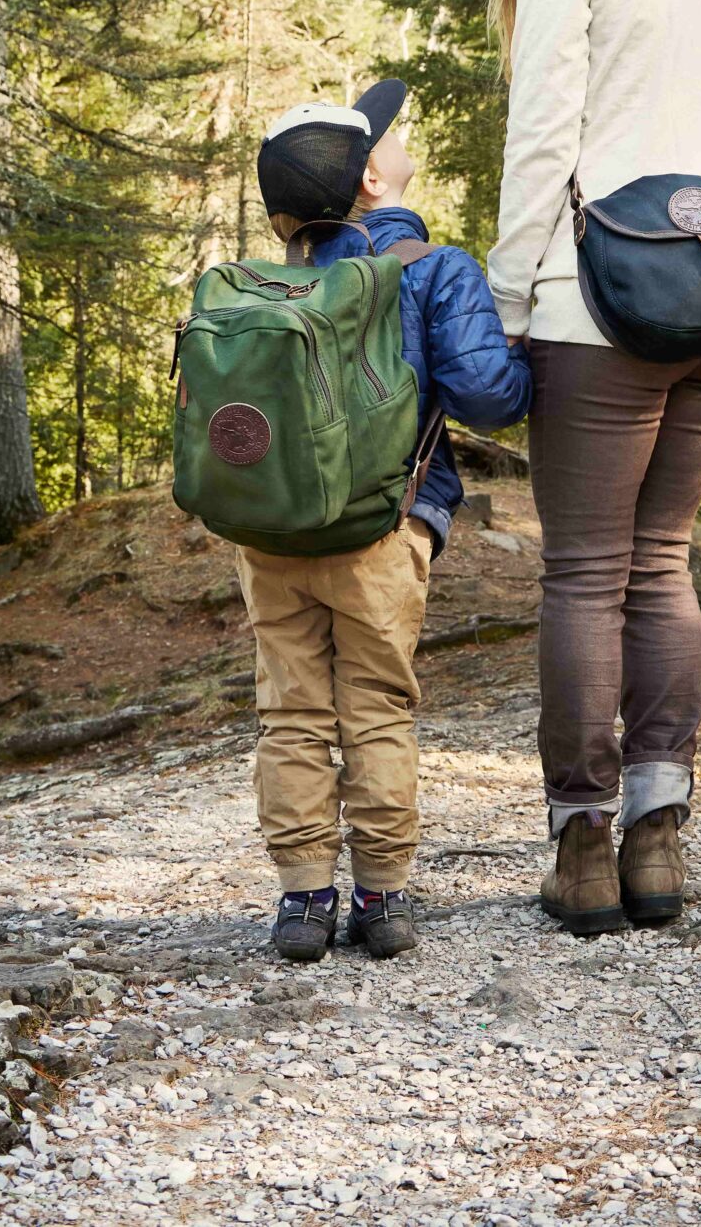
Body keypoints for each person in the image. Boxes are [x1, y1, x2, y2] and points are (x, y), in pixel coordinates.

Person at [413, 0, 701, 936]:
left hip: (598, 298)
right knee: (659, 563)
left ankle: (581, 845)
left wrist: (509, 303)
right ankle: (657, 838)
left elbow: (543, 135)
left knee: (583, 573)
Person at [243, 79, 533, 962]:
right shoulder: (435, 268)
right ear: (372, 178)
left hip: (272, 535)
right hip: (384, 528)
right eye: (390, 140)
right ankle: (381, 897)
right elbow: (490, 396)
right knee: (375, 709)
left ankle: (302, 902)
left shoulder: (265, 285)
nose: (401, 144)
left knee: (290, 712)